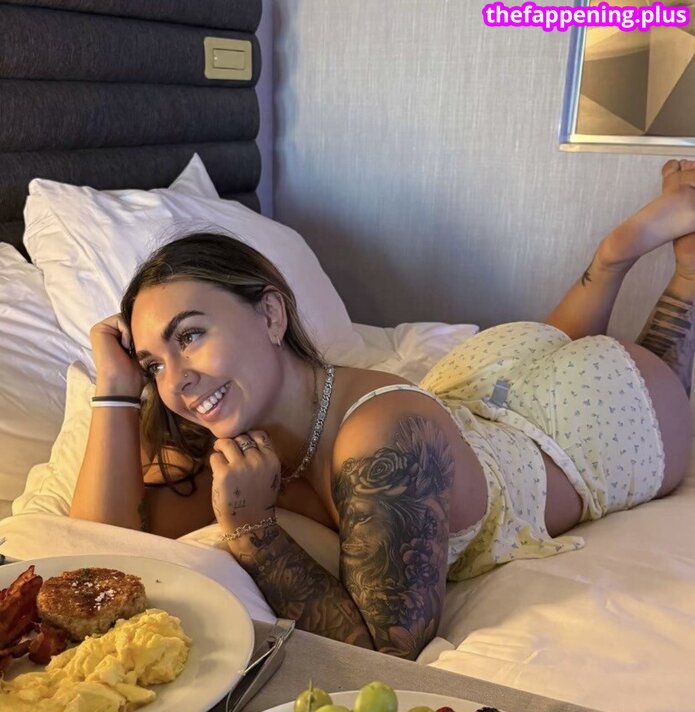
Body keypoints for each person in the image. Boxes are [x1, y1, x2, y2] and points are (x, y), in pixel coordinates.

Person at [71, 160, 694, 660]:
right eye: (154, 363)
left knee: (639, 371)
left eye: (189, 336)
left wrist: (253, 532)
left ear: (270, 314)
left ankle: (672, 271)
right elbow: (90, 553)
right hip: (480, 383)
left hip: (584, 417)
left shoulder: (385, 438)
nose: (177, 381)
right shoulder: (218, 421)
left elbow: (390, 651)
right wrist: (116, 386)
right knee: (537, 355)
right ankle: (610, 262)